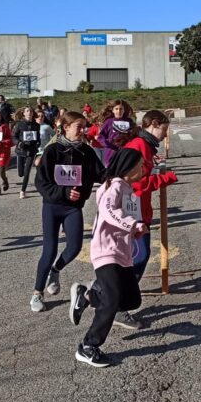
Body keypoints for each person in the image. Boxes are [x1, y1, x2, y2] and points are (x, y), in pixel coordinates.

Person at [69, 147, 148, 367]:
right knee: (112, 299)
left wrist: (134, 228)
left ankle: (89, 294)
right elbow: (108, 210)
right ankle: (88, 346)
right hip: (106, 250)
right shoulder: (115, 185)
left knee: (131, 300)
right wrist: (133, 224)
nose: (143, 169)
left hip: (122, 252)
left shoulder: (127, 189)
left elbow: (123, 216)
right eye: (140, 165)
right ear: (128, 167)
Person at [31, 111, 105, 312]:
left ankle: (55, 270)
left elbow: (102, 174)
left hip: (73, 208)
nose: (83, 131)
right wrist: (63, 192)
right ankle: (37, 293)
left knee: (74, 247)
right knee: (49, 251)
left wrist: (125, 167)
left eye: (84, 127)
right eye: (78, 127)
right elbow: (41, 183)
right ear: (66, 127)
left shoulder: (86, 152)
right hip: (52, 206)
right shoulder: (53, 151)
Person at [120, 109, 178, 329]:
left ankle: (111, 298)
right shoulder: (139, 146)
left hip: (138, 210)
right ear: (153, 124)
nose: (165, 135)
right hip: (132, 212)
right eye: (164, 129)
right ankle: (106, 297)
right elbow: (134, 183)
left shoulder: (144, 146)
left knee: (136, 257)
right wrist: (163, 179)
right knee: (138, 256)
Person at [13, 106, 41, 198]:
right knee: (21, 173)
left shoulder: (36, 125)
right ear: (24, 113)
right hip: (21, 150)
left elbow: (38, 138)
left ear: (33, 114)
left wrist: (38, 143)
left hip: (31, 150)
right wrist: (19, 143)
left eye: (31, 111)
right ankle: (21, 175)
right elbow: (14, 137)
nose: (29, 113)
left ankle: (22, 191)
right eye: (27, 111)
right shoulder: (19, 124)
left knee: (27, 171)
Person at [100, 100, 135, 166]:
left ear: (124, 110)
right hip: (111, 153)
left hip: (125, 153)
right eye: (116, 109)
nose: (119, 111)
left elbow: (134, 135)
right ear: (113, 110)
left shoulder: (129, 121)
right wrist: (108, 142)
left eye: (121, 109)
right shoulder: (109, 122)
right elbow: (101, 136)